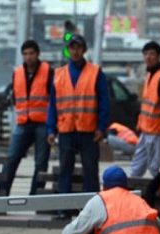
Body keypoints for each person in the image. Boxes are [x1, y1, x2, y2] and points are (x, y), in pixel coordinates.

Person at [46, 34, 110, 194]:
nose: (75, 51)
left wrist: (101, 128)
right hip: (66, 130)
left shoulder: (95, 72)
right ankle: (63, 208)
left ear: (84, 50)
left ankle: (91, 209)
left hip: (88, 132)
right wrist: (50, 129)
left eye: (78, 48)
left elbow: (104, 102)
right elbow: (53, 104)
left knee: (90, 171)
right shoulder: (59, 74)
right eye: (72, 48)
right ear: (68, 50)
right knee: (65, 170)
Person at [0, 39, 53, 195]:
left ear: (37, 54)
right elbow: (15, 96)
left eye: (31, 53)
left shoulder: (48, 71)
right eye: (25, 54)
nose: (28, 57)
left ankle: (35, 196)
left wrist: (52, 126)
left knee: (41, 163)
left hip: (42, 123)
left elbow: (53, 98)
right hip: (23, 123)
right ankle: (1, 194)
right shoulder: (18, 72)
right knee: (11, 159)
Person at [129, 41, 160, 178]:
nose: (148, 57)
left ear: (159, 56)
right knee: (137, 166)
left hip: (157, 130)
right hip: (145, 129)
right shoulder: (149, 76)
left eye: (152, 54)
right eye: (146, 54)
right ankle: (130, 193)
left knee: (154, 168)